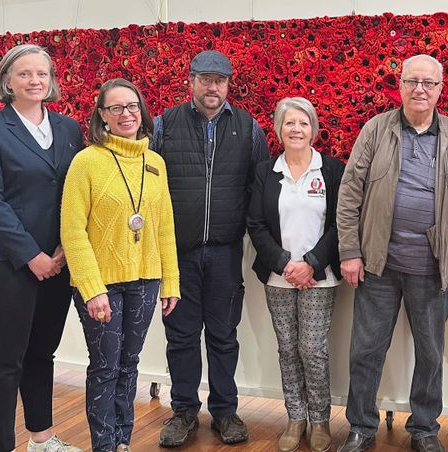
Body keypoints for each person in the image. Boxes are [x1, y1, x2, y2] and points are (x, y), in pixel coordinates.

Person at [336, 54, 448, 452]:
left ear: (440, 89)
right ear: (400, 85)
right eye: (412, 81)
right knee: (365, 351)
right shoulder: (375, 130)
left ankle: (424, 429)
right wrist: (350, 251)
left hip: (434, 269)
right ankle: (361, 428)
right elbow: (350, 192)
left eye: (429, 83)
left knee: (431, 353)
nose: (420, 89)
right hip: (377, 266)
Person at [0, 44, 84, 452]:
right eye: (25, 74)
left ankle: (42, 438)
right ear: (7, 82)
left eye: (42, 73)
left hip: (59, 260)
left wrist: (65, 250)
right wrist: (32, 255)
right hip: (8, 264)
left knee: (41, 354)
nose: (35, 81)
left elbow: (77, 192)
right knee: (4, 362)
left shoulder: (69, 129)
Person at [151, 50, 269, 448]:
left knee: (223, 335)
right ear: (191, 81)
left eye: (219, 80)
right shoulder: (163, 125)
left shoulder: (249, 128)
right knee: (181, 335)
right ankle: (183, 410)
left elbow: (259, 189)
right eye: (205, 79)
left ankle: (224, 411)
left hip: (224, 252)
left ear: (229, 84)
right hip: (177, 253)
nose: (212, 87)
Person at [60, 78, 180, 452]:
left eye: (132, 106)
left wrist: (171, 281)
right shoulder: (87, 162)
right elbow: (73, 231)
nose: (126, 114)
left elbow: (163, 227)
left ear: (141, 111)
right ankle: (104, 446)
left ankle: (122, 442)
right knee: (105, 367)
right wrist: (91, 287)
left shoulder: (155, 162)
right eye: (116, 108)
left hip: (145, 280)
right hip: (102, 285)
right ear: (102, 116)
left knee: (130, 365)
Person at [247, 97, 345, 452]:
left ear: (314, 129)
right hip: (278, 277)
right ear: (278, 129)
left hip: (320, 277)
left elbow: (340, 223)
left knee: (312, 349)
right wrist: (286, 264)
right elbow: (256, 224)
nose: (296, 129)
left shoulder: (331, 170)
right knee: (287, 349)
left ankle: (320, 420)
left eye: (303, 123)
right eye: (289, 123)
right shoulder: (265, 171)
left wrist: (312, 264)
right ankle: (295, 417)